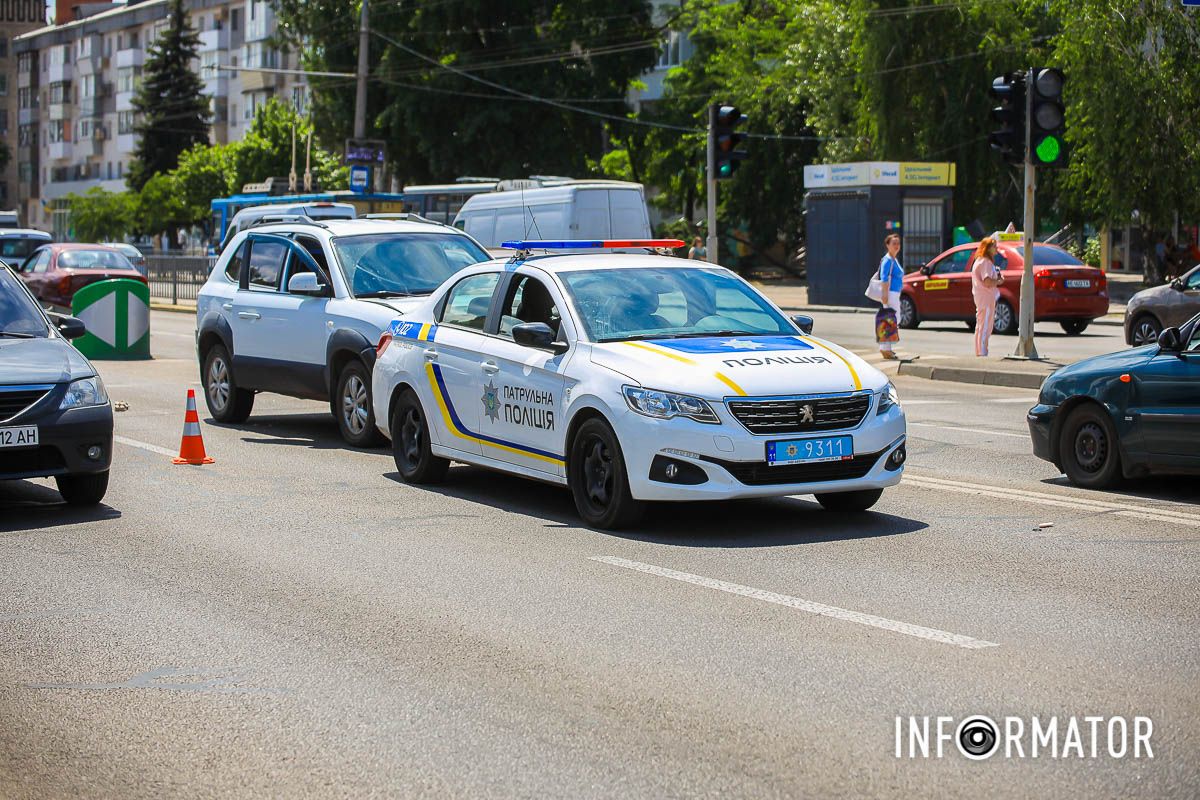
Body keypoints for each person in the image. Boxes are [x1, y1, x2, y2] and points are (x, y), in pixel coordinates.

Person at [970, 237, 1004, 357]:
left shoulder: (979, 261)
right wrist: (999, 281)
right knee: (985, 326)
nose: (996, 249)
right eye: (994, 246)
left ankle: (979, 351)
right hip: (986, 297)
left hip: (980, 297)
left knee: (980, 325)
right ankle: (982, 352)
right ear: (987, 248)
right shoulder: (986, 262)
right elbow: (987, 281)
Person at [876, 234, 903, 359]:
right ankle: (885, 349)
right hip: (890, 294)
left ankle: (887, 349)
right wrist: (885, 295)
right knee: (891, 321)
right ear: (887, 245)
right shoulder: (887, 260)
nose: (897, 246)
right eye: (894, 243)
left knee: (892, 321)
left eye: (898, 243)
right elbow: (884, 278)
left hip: (894, 294)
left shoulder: (893, 259)